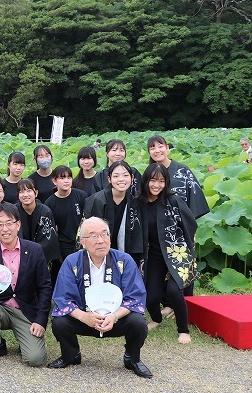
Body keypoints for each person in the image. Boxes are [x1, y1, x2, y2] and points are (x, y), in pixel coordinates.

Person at [48, 217, 151, 378]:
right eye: (94, 236)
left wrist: (114, 316)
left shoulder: (124, 261)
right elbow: (62, 298)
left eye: (105, 234)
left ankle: (132, 358)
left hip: (115, 319)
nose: (100, 241)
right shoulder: (72, 262)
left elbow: (135, 298)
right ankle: (71, 355)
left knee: (138, 322)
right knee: (60, 322)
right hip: (85, 318)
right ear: (83, 241)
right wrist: (84, 316)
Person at [0, 203, 52, 367]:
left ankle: (24, 339)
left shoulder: (35, 250)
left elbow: (45, 288)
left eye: (9, 223)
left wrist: (41, 320)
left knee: (35, 359)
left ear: (18, 225)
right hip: (1, 308)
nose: (5, 229)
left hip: (25, 310)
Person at [139, 163, 198, 345]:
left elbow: (190, 224)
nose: (156, 185)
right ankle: (156, 319)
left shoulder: (172, 200)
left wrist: (189, 250)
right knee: (151, 296)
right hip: (155, 255)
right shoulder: (138, 203)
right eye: (153, 180)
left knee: (173, 290)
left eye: (161, 181)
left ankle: (183, 330)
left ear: (166, 183)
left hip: (177, 251)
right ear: (146, 181)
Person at [83, 161, 144, 267]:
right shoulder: (97, 201)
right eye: (116, 176)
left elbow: (136, 236)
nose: (121, 179)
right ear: (109, 179)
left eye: (125, 175)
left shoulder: (134, 202)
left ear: (132, 177)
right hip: (99, 251)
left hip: (125, 252)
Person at [147, 135, 210, 219]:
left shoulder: (182, 170)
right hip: (156, 223)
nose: (157, 151)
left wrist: (191, 226)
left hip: (181, 223)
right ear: (149, 152)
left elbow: (195, 200)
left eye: (160, 146)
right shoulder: (149, 172)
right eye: (152, 148)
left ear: (167, 148)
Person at [44, 165, 87, 284]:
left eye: (69, 177)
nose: (66, 181)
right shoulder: (50, 203)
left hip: (82, 242)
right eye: (62, 178)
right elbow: (52, 231)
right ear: (54, 181)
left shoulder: (81, 196)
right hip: (63, 245)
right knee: (68, 276)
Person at [16, 179, 61, 265]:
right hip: (19, 256)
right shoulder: (14, 212)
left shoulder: (45, 211)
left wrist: (32, 253)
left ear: (36, 193)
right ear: (18, 195)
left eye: (29, 191)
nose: (25, 195)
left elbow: (48, 240)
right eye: (21, 192)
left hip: (41, 256)